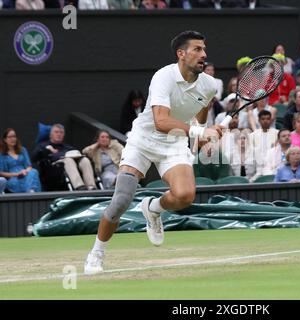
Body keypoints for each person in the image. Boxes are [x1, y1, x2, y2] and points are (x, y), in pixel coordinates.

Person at [84, 30, 223, 275]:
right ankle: (97, 253)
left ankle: (154, 208)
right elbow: (161, 121)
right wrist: (200, 134)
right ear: (181, 54)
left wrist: (204, 131)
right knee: (121, 200)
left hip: (174, 145)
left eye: (204, 49)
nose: (204, 54)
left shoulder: (209, 85)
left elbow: (200, 113)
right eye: (197, 49)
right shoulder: (163, 77)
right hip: (143, 140)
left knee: (185, 195)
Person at [32, 124, 97, 191]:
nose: (59, 134)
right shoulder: (43, 146)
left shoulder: (67, 147)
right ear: (50, 135)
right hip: (53, 169)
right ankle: (79, 186)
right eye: (56, 132)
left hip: (72, 166)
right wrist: (47, 150)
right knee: (68, 160)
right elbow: (34, 157)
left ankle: (91, 187)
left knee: (84, 160)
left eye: (61, 132)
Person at [0, 129, 42, 193]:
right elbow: (1, 172)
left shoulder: (22, 150)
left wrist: (25, 171)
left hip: (26, 174)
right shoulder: (2, 154)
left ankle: (31, 192)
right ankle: (30, 193)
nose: (13, 139)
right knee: (19, 181)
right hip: (13, 177)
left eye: (14, 136)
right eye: (10, 137)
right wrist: (16, 174)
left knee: (33, 171)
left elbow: (29, 166)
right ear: (5, 140)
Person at [249, 110, 278, 181]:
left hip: (273, 166)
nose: (265, 121)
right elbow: (250, 154)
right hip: (257, 167)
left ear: (271, 120)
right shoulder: (252, 135)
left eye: (268, 119)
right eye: (263, 119)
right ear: (259, 120)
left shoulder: (277, 133)